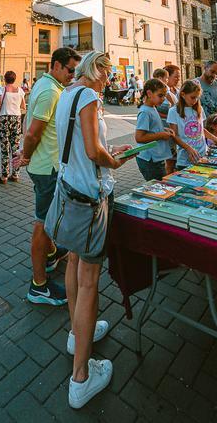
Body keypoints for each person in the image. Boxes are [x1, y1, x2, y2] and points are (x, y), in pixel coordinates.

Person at [52, 51, 134, 409]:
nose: (110, 78)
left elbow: (80, 146)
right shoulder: (87, 95)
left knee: (73, 263)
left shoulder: (67, 93)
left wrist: (107, 149)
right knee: (89, 281)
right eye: (107, 71)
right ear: (95, 70)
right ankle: (81, 376)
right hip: (90, 198)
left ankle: (76, 333)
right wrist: (114, 159)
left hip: (70, 188)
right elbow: (92, 148)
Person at [14, 47, 81, 306]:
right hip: (45, 168)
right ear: (56, 65)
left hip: (45, 165)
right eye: (70, 70)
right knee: (41, 225)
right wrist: (27, 155)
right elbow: (32, 132)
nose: (72, 76)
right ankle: (39, 286)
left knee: (49, 217)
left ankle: (52, 253)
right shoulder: (50, 91)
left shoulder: (45, 83)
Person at [168, 80, 217, 168]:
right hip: (185, 159)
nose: (195, 101)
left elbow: (201, 130)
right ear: (183, 94)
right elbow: (174, 136)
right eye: (192, 97)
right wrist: (188, 148)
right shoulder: (173, 111)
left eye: (197, 98)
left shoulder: (198, 108)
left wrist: (215, 139)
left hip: (203, 155)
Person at [134, 79, 175, 180]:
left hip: (155, 158)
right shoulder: (145, 112)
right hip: (149, 159)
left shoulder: (152, 108)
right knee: (158, 187)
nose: (163, 99)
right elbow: (139, 137)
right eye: (160, 95)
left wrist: (164, 130)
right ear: (149, 93)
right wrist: (161, 135)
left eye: (164, 96)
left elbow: (152, 129)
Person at [0, 71, 26, 184]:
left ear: (5, 79)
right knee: (15, 148)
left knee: (5, 148)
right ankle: (16, 174)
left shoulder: (2, 90)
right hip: (16, 119)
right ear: (15, 79)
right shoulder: (20, 90)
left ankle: (4, 176)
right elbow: (23, 106)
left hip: (4, 119)